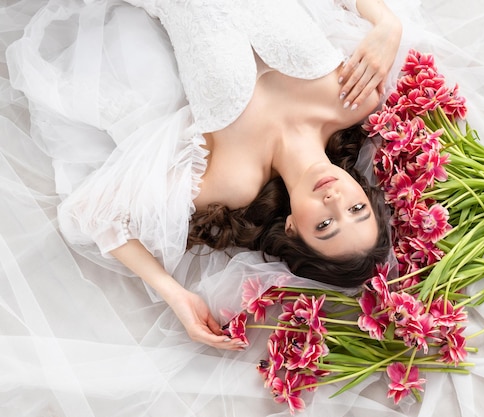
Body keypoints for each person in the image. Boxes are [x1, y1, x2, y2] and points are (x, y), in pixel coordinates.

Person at [8, 0, 402, 350]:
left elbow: (93, 212)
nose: (335, 201)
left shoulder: (235, 178)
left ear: (293, 229)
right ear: (365, 193)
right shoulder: (357, 98)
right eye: (356, 209)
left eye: (326, 224)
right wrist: (386, 24)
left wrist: (175, 294)